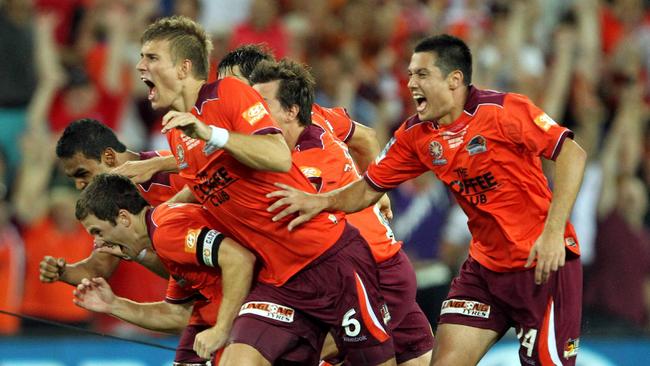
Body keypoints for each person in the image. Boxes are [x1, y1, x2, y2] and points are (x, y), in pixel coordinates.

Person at [267, 34, 586, 366]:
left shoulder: (504, 111)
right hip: (485, 269)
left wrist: (552, 233)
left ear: (454, 80)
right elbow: (365, 189)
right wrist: (318, 202)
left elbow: (572, 156)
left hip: (543, 263)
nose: (411, 84)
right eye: (409, 75)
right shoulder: (415, 136)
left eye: (422, 75)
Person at [137, 15, 395, 365]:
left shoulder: (228, 94)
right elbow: (204, 193)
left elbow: (277, 155)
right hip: (279, 280)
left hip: (328, 261)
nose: (140, 66)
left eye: (151, 58)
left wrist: (375, 188)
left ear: (184, 68)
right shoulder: (177, 133)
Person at [249, 58, 433, 365]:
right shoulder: (319, 117)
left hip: (376, 275)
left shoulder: (311, 163)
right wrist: (377, 189)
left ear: (291, 110)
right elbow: (367, 136)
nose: (250, 113)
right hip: (359, 273)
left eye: (261, 103)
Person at [38, 118, 214, 365]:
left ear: (109, 158)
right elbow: (98, 268)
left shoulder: (170, 173)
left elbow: (217, 163)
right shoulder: (107, 213)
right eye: (72, 179)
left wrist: (161, 163)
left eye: (82, 173)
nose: (79, 185)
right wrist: (64, 272)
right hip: (203, 301)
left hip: (252, 282)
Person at [72, 173, 255, 364]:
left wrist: (221, 329)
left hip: (267, 308)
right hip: (242, 315)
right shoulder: (162, 235)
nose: (98, 243)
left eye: (98, 232)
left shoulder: (166, 233)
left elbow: (239, 259)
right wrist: (113, 304)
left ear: (124, 218)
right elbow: (177, 315)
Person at [217, 44, 381, 172]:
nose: (221, 94)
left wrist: (374, 194)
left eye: (231, 85)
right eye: (219, 86)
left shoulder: (309, 116)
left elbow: (366, 138)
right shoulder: (221, 131)